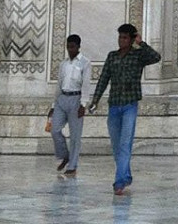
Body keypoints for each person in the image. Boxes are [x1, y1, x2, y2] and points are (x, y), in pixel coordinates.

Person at [88, 24, 161, 194]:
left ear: (131, 39)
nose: (121, 40)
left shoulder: (138, 56)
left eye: (125, 37)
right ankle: (126, 175)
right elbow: (104, 78)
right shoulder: (112, 56)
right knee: (116, 145)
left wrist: (140, 43)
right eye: (120, 37)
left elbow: (156, 57)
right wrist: (95, 100)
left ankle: (119, 181)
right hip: (114, 104)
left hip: (129, 105)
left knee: (125, 143)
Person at [51, 34, 92, 178]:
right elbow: (59, 84)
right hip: (62, 98)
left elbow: (86, 84)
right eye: (68, 47)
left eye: (73, 47)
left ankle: (72, 166)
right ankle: (64, 155)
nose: (70, 50)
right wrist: (53, 104)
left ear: (78, 47)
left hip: (76, 99)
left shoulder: (85, 63)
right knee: (55, 130)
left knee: (75, 136)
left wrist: (83, 104)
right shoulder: (64, 64)